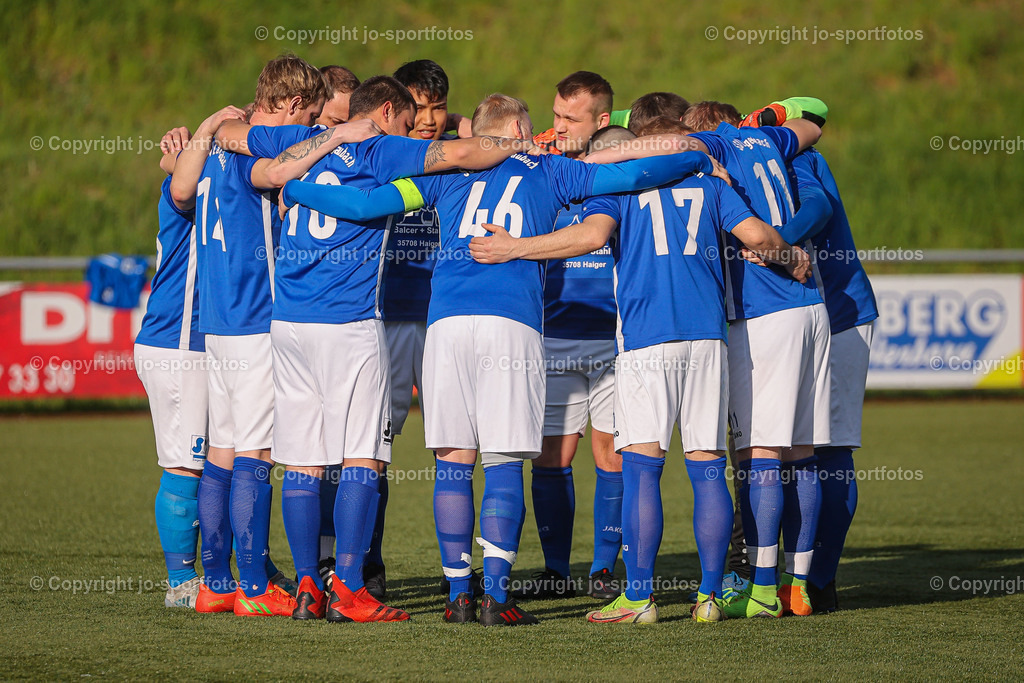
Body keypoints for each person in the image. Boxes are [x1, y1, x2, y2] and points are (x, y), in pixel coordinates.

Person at [281, 93, 730, 626]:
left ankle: (456, 597)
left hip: (446, 325)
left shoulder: (445, 171)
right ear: (518, 126)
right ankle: (496, 595)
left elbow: (360, 208)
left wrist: (296, 187)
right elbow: (637, 177)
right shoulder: (552, 170)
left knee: (453, 462)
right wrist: (697, 156)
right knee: (503, 463)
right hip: (511, 324)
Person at [467, 127, 810, 624]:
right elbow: (755, 235)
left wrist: (515, 248)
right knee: (708, 464)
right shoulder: (707, 181)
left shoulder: (616, 185)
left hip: (647, 339)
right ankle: (709, 598)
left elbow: (590, 236)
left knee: (643, 468)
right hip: (708, 337)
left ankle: (640, 598)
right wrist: (792, 257)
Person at [239, 77, 546, 621]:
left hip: (286, 323)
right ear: (386, 113)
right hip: (349, 322)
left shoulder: (302, 141)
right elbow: (459, 153)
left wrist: (227, 130)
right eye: (408, 121)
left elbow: (245, 143)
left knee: (304, 464)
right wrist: (521, 143)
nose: (414, 131)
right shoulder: (386, 148)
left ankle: (310, 584)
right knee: (364, 457)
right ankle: (352, 586)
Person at [683, 97, 832, 619]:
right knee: (802, 452)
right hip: (812, 307)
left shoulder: (715, 143)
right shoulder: (767, 139)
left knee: (760, 455)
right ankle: (798, 585)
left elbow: (681, 147)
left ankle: (764, 590)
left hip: (762, 313)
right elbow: (814, 119)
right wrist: (765, 119)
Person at [191, 54, 328, 617]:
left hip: (218, 322)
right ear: (295, 104)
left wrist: (209, 127)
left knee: (221, 452)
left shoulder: (221, 144)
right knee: (257, 453)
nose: (315, 123)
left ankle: (216, 582)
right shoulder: (264, 144)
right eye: (313, 113)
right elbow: (279, 168)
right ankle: (251, 586)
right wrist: (331, 136)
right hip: (254, 320)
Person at [513, 72, 623, 602]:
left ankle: (604, 570)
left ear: (602, 121)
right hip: (553, 338)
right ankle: (556, 571)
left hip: (615, 341)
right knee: (551, 458)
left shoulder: (624, 168)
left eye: (569, 119)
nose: (556, 128)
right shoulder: (541, 173)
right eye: (553, 116)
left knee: (612, 455)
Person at [135, 108, 240, 608]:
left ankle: (230, 568)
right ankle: (181, 583)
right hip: (179, 345)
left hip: (212, 342)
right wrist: (206, 129)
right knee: (186, 466)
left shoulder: (213, 183)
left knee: (228, 459)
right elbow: (181, 186)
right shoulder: (190, 190)